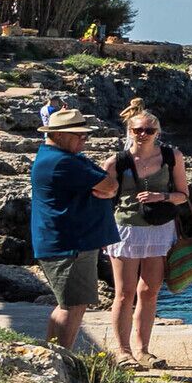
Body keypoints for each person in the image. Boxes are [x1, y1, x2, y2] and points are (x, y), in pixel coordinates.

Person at [25, 105, 121, 355]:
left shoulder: (65, 157)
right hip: (69, 245)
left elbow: (109, 186)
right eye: (79, 135)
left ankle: (57, 354)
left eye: (85, 134)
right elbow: (110, 185)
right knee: (73, 304)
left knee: (71, 303)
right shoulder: (62, 162)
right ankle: (60, 357)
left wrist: (105, 187)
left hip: (73, 242)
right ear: (58, 135)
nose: (84, 139)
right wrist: (105, 188)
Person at [103, 101, 191, 365]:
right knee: (123, 292)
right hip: (126, 229)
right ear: (130, 131)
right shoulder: (116, 161)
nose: (143, 134)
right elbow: (102, 196)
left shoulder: (171, 156)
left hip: (159, 230)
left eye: (149, 130)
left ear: (158, 132)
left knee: (150, 290)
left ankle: (143, 350)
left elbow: (183, 196)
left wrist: (160, 196)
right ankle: (123, 352)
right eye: (139, 130)